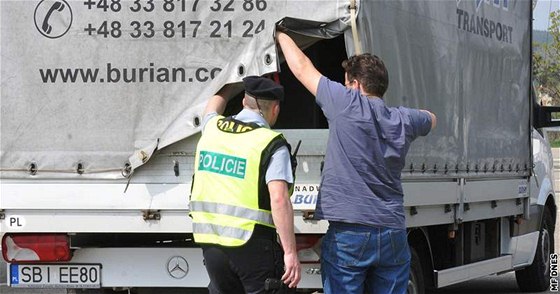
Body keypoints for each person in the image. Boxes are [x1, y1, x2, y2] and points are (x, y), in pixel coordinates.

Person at [276, 31, 436, 293]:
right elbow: (431, 118)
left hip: (350, 234)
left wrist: (280, 32)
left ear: (356, 85)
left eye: (346, 83)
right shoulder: (404, 119)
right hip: (392, 231)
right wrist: (419, 117)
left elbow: (302, 67)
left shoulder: (346, 104)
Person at [189, 76, 301, 293]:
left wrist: (232, 78)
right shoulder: (271, 143)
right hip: (252, 246)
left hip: (212, 245)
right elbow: (278, 199)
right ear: (275, 109)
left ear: (243, 102)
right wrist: (290, 252)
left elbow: (213, 106)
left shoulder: (212, 127)